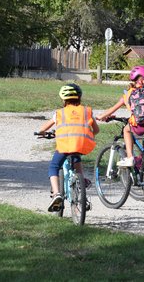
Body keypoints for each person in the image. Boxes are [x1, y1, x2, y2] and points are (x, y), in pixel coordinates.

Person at [37, 84, 99, 212]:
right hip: (81, 144)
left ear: (63, 100)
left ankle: (56, 194)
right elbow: (96, 130)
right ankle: (82, 191)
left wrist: (42, 133)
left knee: (54, 167)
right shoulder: (87, 111)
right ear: (79, 98)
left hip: (64, 146)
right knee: (76, 160)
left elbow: (43, 129)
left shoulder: (59, 113)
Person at [98, 65, 144, 167]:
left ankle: (130, 157)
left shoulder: (129, 93)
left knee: (126, 130)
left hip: (141, 125)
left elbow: (112, 109)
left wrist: (101, 116)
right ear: (142, 80)